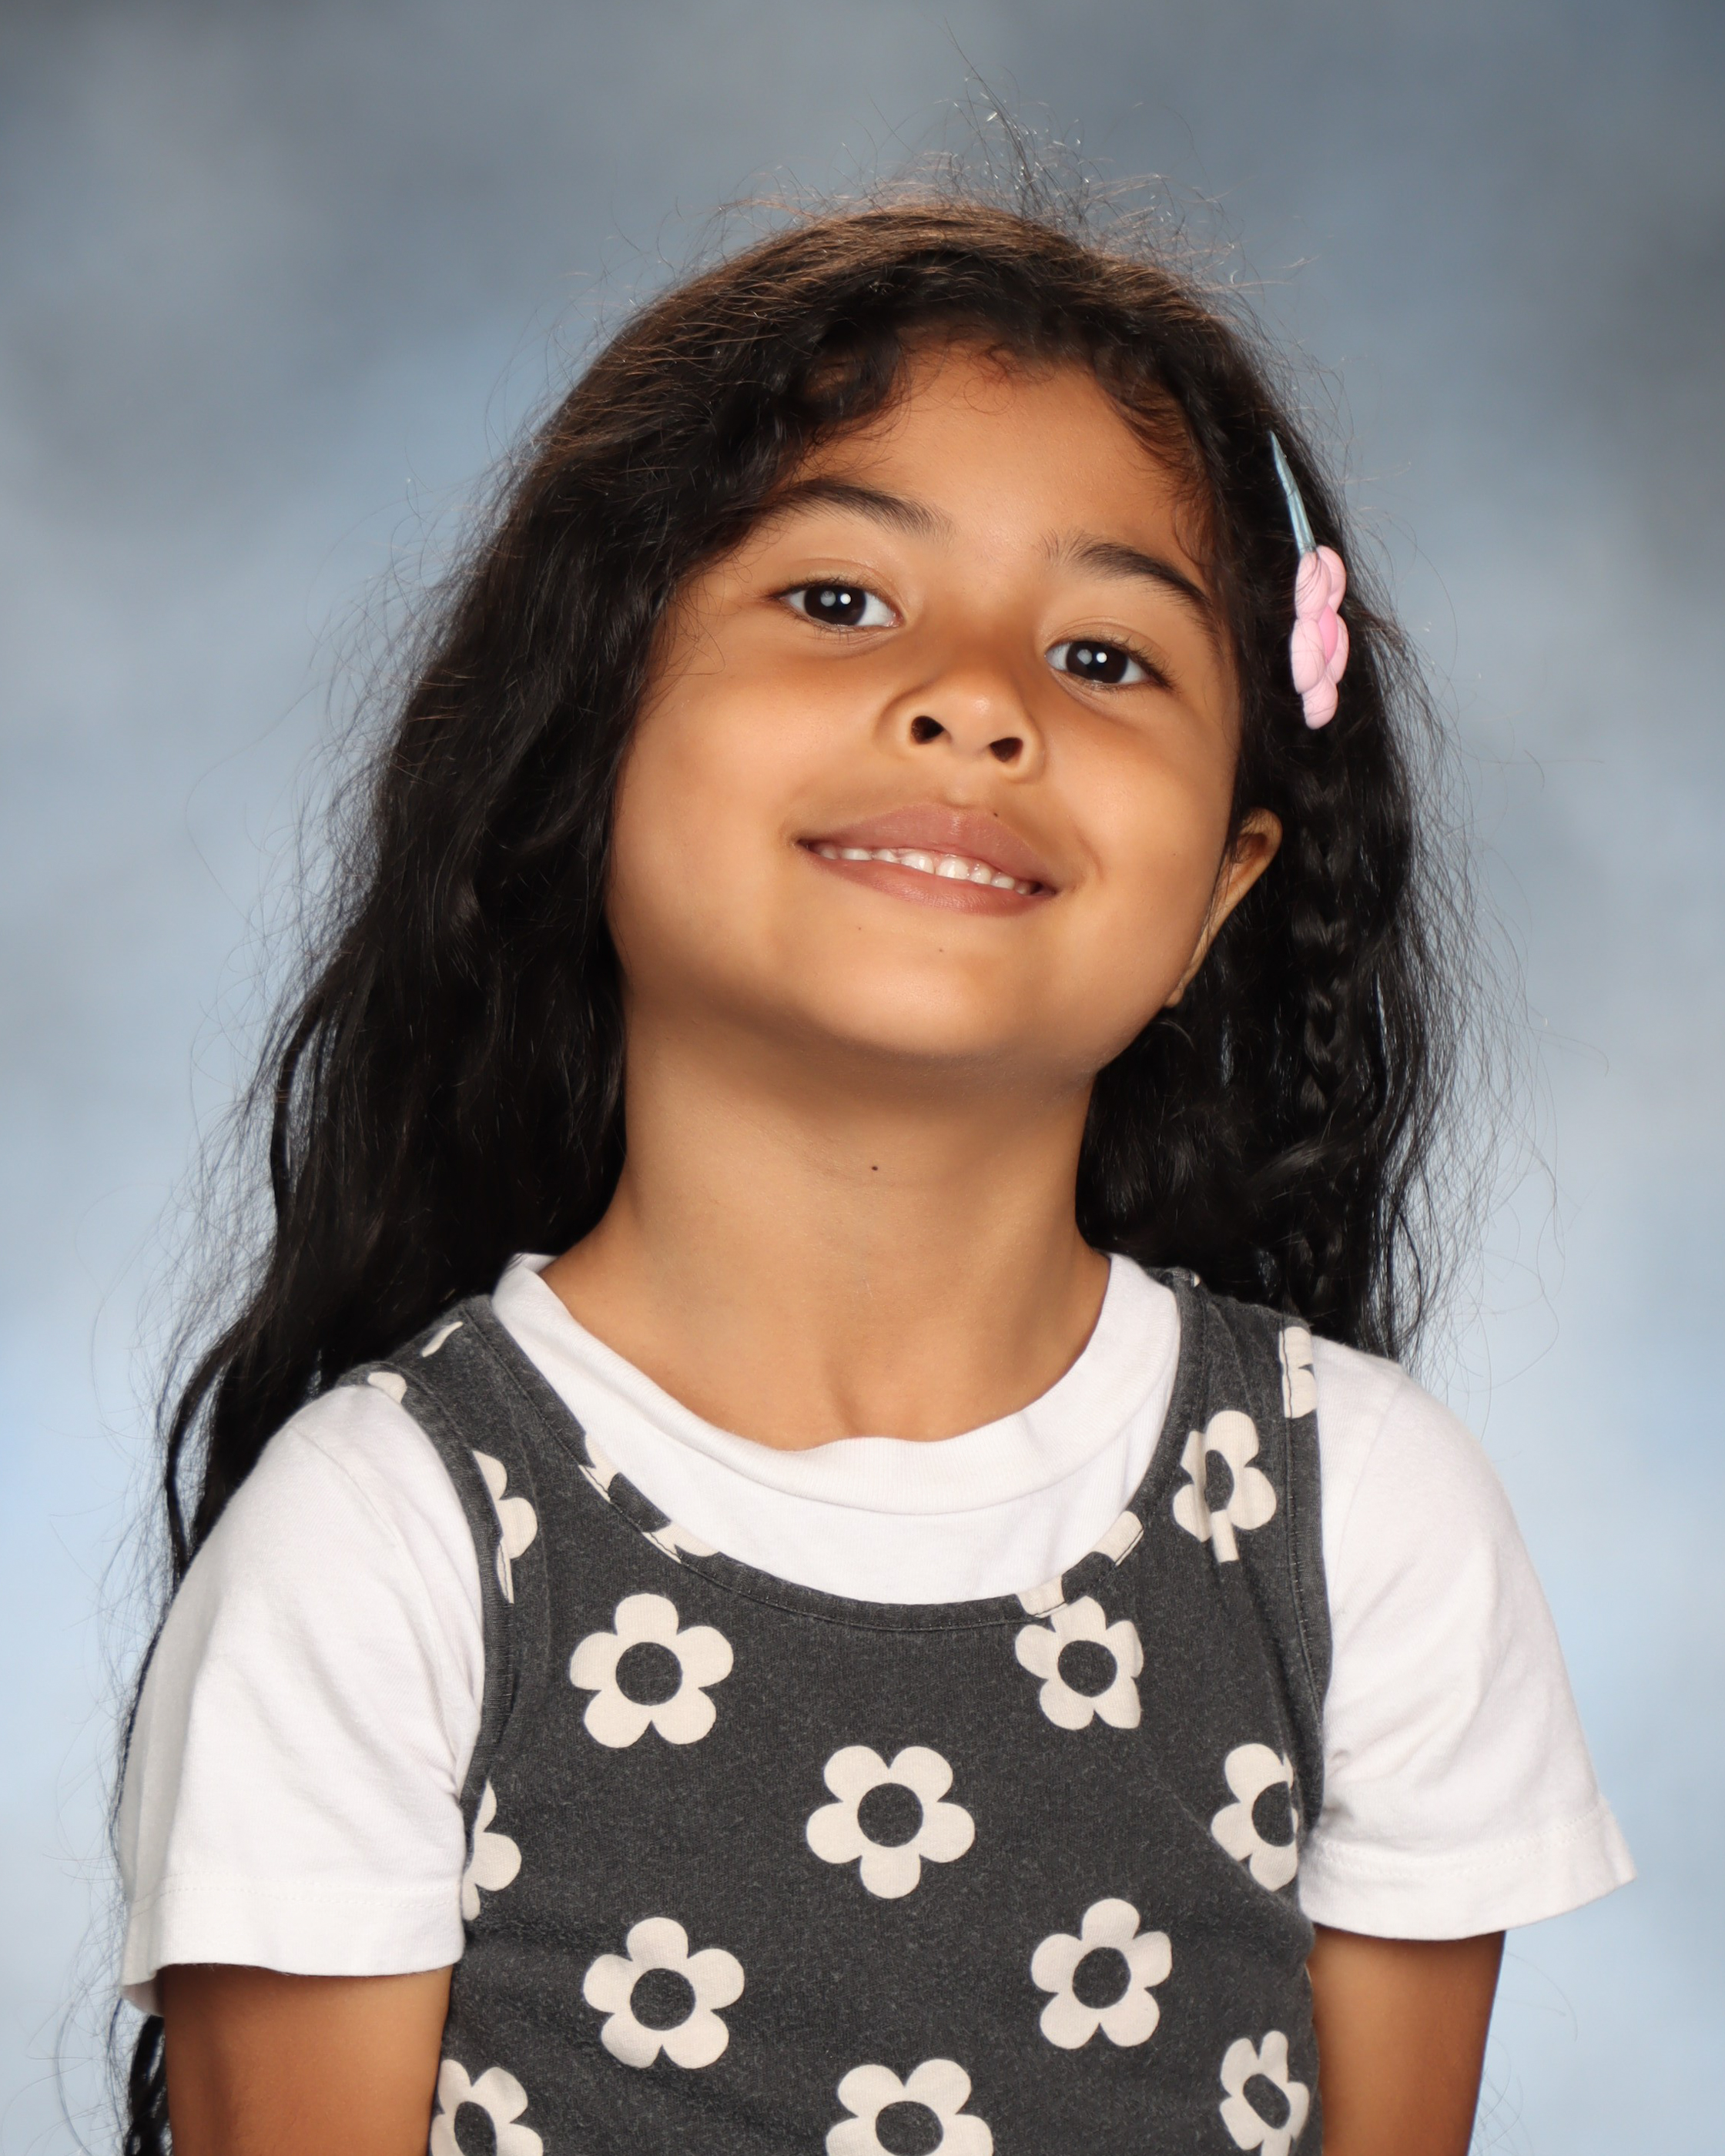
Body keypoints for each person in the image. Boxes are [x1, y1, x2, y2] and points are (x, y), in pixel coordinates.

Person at [115, 192, 1633, 2156]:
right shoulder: (378, 1549)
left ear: (1222, 889)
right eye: (839, 599)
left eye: (1105, 652)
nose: (978, 699)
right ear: (588, 740)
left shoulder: (1368, 1527)